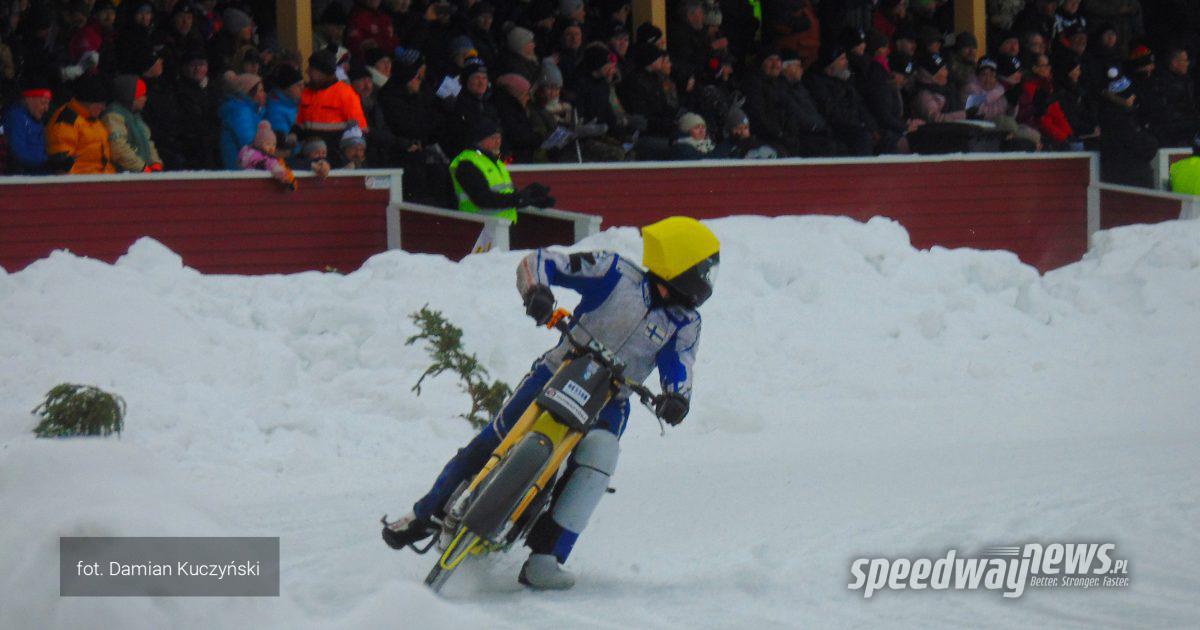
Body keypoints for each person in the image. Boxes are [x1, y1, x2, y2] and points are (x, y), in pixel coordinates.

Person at [382, 216, 720, 591]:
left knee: (600, 456)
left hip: (613, 399)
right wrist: (536, 292)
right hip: (560, 369)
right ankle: (423, 514)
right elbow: (540, 262)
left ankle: (546, 557)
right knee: (496, 436)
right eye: (705, 270)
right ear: (681, 263)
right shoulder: (614, 272)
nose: (708, 281)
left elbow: (680, 364)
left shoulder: (685, 322)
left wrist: (676, 398)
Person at [448, 119, 555, 223]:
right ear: (480, 140)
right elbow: (483, 199)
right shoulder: (467, 163)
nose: (498, 142)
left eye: (499, 137)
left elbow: (506, 194)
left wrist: (532, 199)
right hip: (480, 228)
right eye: (493, 138)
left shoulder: (496, 162)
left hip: (503, 225)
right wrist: (520, 198)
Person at [46, 76, 116, 174]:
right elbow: (62, 166)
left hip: (102, 179)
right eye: (101, 104)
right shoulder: (67, 122)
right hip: (82, 183)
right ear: (90, 103)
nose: (104, 108)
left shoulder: (93, 120)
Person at [2, 79, 72, 173]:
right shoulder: (16, 118)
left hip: (38, 174)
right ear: (29, 99)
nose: (46, 109)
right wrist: (48, 163)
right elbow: (19, 154)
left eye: (48, 104)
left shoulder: (36, 119)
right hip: (21, 178)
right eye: (43, 103)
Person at [102, 75, 163, 172]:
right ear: (130, 97)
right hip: (126, 176)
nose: (145, 98)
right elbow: (119, 149)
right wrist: (142, 168)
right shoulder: (113, 116)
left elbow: (147, 141)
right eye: (141, 95)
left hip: (141, 173)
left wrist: (155, 162)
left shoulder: (136, 115)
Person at [239, 120, 296, 189]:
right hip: (255, 184)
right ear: (259, 144)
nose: (271, 147)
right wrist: (284, 175)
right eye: (268, 144)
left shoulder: (248, 152)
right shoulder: (262, 158)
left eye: (274, 144)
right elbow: (273, 166)